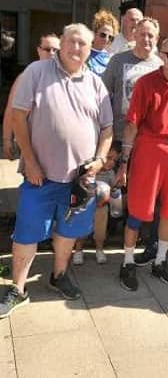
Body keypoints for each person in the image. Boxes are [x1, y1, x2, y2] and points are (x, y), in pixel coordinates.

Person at [0, 23, 113, 318]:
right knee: (27, 233)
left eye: (83, 44)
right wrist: (30, 160)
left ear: (91, 50)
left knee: (68, 232)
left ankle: (58, 276)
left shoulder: (96, 84)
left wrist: (100, 158)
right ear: (61, 43)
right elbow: (18, 117)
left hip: (80, 180)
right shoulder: (36, 73)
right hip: (40, 176)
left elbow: (107, 128)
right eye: (72, 42)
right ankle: (18, 289)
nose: (77, 48)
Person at [117, 37, 168, 291]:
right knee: (138, 210)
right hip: (149, 151)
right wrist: (123, 163)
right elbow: (132, 125)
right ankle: (128, 262)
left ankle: (161, 261)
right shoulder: (145, 83)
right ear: (161, 56)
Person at [102, 17, 162, 144]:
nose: (146, 39)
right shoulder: (117, 61)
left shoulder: (161, 67)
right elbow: (103, 95)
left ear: (156, 39)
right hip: (118, 136)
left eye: (150, 36)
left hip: (148, 139)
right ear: (134, 35)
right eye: (142, 34)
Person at [2, 33, 60, 159]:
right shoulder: (26, 76)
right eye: (47, 49)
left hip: (56, 148)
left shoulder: (64, 78)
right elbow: (11, 110)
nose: (52, 53)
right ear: (39, 50)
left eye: (56, 50)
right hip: (31, 146)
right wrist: (7, 139)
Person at [72, 141, 122, 265]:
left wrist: (115, 189)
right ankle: (78, 251)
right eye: (109, 158)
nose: (111, 163)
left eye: (115, 160)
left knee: (100, 230)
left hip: (101, 208)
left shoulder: (111, 174)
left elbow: (114, 190)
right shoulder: (91, 170)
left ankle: (99, 249)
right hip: (85, 205)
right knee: (82, 228)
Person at [86, 9, 119, 77]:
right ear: (94, 33)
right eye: (103, 35)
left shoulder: (112, 58)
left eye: (110, 37)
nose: (106, 39)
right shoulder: (85, 53)